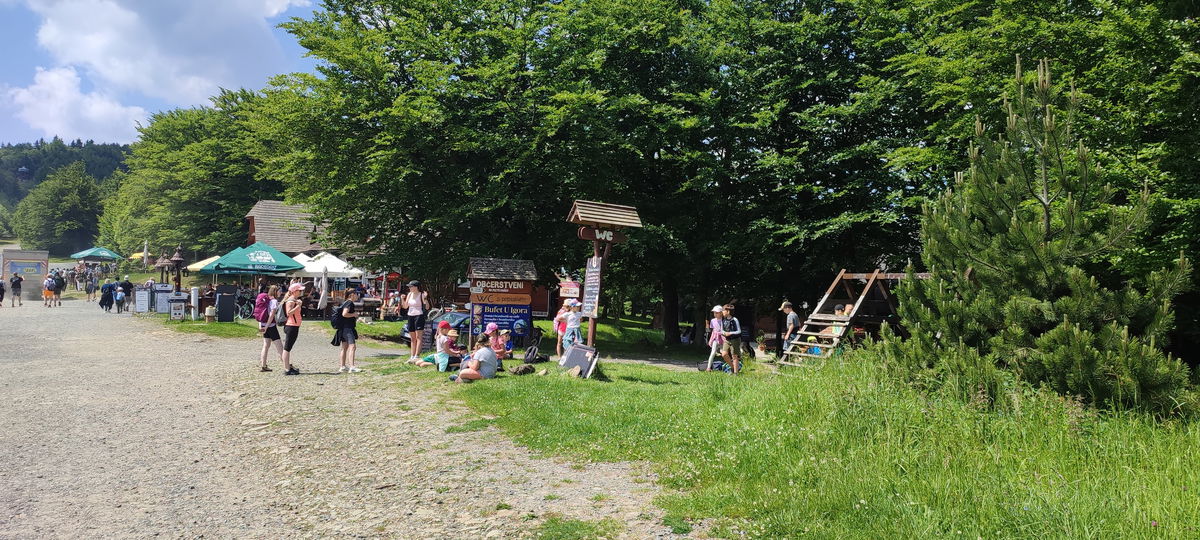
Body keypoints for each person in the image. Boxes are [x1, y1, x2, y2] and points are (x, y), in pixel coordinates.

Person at [333, 289, 362, 373]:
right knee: (352, 346)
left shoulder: (345, 302)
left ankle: (342, 366)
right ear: (352, 295)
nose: (357, 296)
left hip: (343, 328)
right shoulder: (349, 303)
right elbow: (344, 314)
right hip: (348, 328)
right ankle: (352, 367)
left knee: (344, 347)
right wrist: (354, 314)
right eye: (356, 294)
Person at [401, 280, 431, 362]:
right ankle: (412, 356)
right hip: (410, 315)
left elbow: (427, 307)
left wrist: (425, 298)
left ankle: (417, 355)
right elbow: (405, 306)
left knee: (418, 337)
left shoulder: (421, 294)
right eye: (409, 287)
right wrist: (402, 299)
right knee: (412, 338)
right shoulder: (409, 294)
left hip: (419, 315)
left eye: (411, 286)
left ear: (416, 287)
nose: (409, 288)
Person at [258, 285, 284, 372]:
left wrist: (261, 326)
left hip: (263, 324)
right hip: (270, 326)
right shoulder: (274, 301)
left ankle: (263, 365)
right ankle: (287, 365)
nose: (281, 293)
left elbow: (260, 313)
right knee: (279, 346)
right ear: (275, 292)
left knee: (266, 345)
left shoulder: (265, 300)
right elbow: (272, 315)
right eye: (279, 291)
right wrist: (267, 326)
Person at [280, 283, 305, 375]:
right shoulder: (291, 301)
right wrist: (298, 306)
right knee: (287, 348)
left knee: (288, 348)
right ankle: (287, 369)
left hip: (294, 325)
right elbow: (289, 313)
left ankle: (288, 367)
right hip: (291, 326)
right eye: (299, 290)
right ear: (294, 291)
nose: (301, 292)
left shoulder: (294, 300)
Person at [720, 304, 742, 374]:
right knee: (724, 354)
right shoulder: (723, 320)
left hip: (735, 340)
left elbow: (739, 331)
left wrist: (730, 333)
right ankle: (732, 367)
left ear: (728, 311)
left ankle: (735, 373)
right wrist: (724, 333)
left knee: (734, 355)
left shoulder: (734, 320)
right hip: (727, 340)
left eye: (723, 311)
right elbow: (722, 330)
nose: (722, 312)